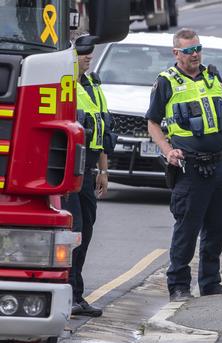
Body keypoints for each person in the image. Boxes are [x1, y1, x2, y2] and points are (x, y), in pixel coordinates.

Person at [147, 28, 222, 302]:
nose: (195, 54)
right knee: (187, 229)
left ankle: (210, 282)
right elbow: (152, 123)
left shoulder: (212, 75)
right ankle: (178, 286)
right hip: (190, 167)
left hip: (219, 163)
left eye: (197, 48)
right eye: (188, 50)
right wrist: (168, 151)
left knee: (217, 227)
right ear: (177, 53)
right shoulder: (166, 82)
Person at [63, 36, 114, 317]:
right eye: (82, 54)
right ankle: (68, 293)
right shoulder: (63, 84)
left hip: (90, 165)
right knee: (75, 231)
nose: (87, 58)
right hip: (70, 166)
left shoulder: (93, 85)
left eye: (89, 54)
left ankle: (77, 294)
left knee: (87, 230)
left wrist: (104, 171)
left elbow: (103, 132)